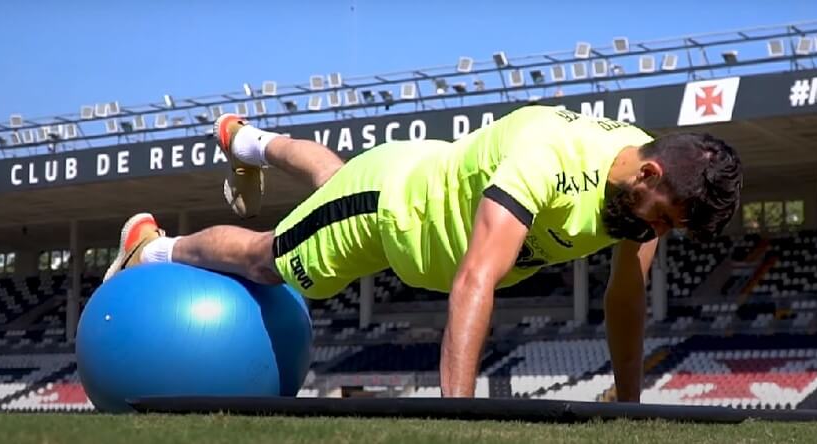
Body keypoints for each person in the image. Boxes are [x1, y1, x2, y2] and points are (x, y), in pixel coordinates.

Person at [104, 105, 742, 400]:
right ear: (651, 173)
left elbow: (625, 296)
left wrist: (628, 406)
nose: (660, 232)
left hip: (417, 182)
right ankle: (156, 246)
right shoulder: (545, 156)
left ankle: (246, 140)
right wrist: (458, 420)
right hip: (391, 211)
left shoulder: (648, 192)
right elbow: (475, 279)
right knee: (270, 261)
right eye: (663, 219)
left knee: (334, 178)